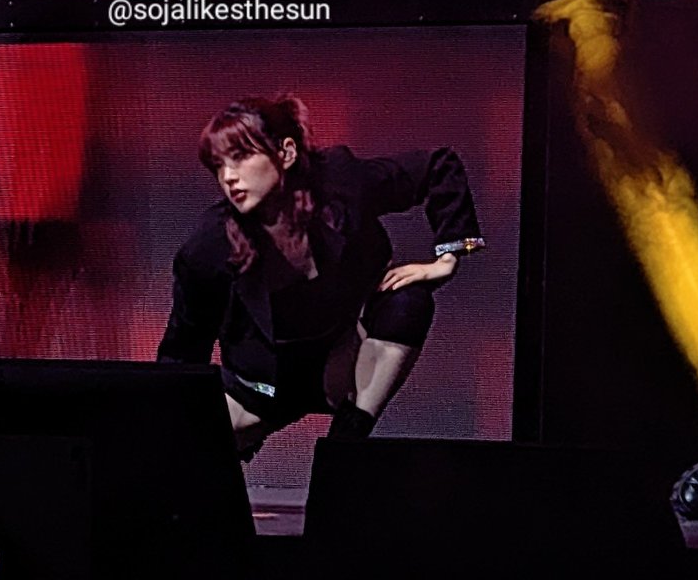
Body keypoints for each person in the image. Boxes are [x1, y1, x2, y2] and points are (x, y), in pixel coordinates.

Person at [158, 96, 485, 455]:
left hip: (339, 361)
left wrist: (449, 257)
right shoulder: (209, 246)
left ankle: (345, 447)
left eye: (240, 157)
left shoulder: (339, 183)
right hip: (262, 385)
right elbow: (184, 347)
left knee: (409, 302)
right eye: (218, 166)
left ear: (286, 152)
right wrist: (174, 426)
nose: (228, 177)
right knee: (186, 451)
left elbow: (437, 166)